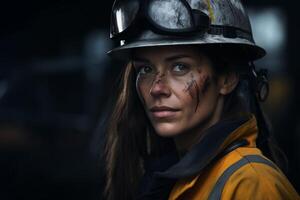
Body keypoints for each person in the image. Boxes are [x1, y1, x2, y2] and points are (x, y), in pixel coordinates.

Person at [104, 0, 299, 199]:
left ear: (227, 78)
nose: (156, 88)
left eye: (180, 67)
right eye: (146, 69)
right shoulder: (165, 180)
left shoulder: (252, 184)